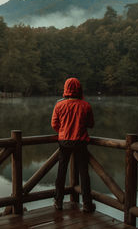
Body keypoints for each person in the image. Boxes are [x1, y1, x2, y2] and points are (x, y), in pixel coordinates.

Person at [51, 77, 96, 212]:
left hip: (64, 142)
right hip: (80, 142)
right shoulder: (85, 105)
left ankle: (58, 202)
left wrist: (64, 131)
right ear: (79, 88)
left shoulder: (59, 105)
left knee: (61, 171)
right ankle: (87, 204)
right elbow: (91, 124)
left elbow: (54, 124)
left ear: (65, 88)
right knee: (84, 173)